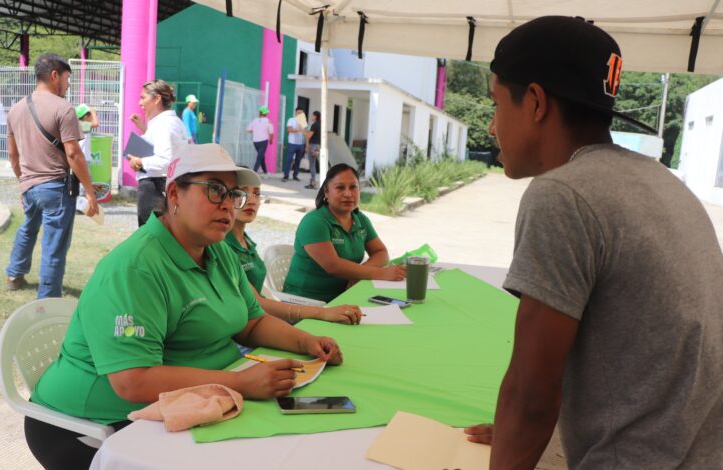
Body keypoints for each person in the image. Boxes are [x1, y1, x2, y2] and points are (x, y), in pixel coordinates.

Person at [462, 16, 723, 469]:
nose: (491, 127)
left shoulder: (562, 194)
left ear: (537, 102)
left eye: (497, 104)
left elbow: (531, 396)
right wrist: (517, 433)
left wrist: (517, 434)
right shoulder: (659, 180)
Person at [25, 143, 343, 470]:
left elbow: (252, 323)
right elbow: (133, 381)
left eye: (234, 195)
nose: (228, 206)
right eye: (215, 191)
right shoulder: (136, 269)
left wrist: (307, 342)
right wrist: (240, 383)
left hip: (199, 399)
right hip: (92, 424)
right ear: (175, 194)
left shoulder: (219, 252)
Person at [5, 53, 99, 298]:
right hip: (56, 187)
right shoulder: (64, 108)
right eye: (67, 78)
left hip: (29, 185)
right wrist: (90, 192)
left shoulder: (15, 110)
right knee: (54, 246)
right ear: (55, 75)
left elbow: (13, 157)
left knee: (27, 229)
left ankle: (14, 274)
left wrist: (23, 184)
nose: (68, 84)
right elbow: (74, 154)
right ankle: (47, 301)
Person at [227, 179, 364, 324]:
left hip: (263, 320)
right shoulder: (222, 246)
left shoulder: (246, 241)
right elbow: (256, 303)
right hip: (246, 330)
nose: (251, 201)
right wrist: (321, 313)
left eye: (257, 194)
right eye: (240, 193)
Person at [284, 163, 405, 303]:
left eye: (353, 187)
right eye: (340, 188)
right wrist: (381, 273)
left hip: (345, 297)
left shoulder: (360, 219)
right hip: (307, 302)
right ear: (327, 192)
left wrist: (360, 273)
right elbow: (333, 266)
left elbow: (380, 252)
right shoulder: (314, 222)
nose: (348, 193)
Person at [128, 80, 190, 226]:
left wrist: (139, 162)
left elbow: (166, 161)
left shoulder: (163, 124)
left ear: (157, 99)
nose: (139, 102)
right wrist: (144, 129)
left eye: (143, 97)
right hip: (165, 185)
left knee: (152, 239)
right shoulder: (170, 122)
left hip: (155, 186)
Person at [246, 105, 273, 176]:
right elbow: (271, 133)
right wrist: (271, 141)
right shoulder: (268, 121)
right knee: (259, 157)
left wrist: (256, 130)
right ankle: (253, 174)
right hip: (263, 142)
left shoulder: (254, 120)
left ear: (259, 113)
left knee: (261, 157)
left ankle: (266, 173)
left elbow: (248, 130)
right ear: (266, 113)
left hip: (255, 142)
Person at [281, 107, 306, 182]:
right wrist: (300, 130)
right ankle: (286, 175)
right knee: (289, 160)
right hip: (292, 143)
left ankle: (295, 175)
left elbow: (305, 132)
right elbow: (289, 130)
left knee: (298, 160)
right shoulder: (291, 120)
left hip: (300, 144)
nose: (299, 114)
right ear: (295, 112)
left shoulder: (303, 122)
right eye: (298, 112)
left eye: (301, 113)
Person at [304, 110, 321, 189]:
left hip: (313, 146)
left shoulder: (314, 125)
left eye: (312, 115)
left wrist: (304, 131)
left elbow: (309, 136)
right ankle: (313, 182)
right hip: (318, 146)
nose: (311, 117)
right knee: (317, 164)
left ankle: (313, 183)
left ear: (315, 116)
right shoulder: (321, 125)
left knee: (312, 165)